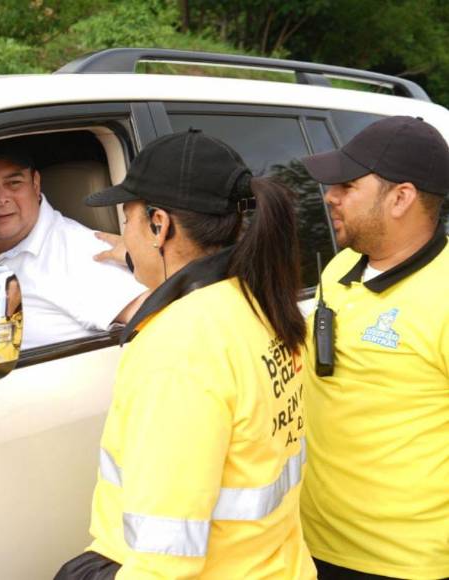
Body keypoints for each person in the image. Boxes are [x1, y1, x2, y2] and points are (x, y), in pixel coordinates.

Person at [56, 129, 316, 579]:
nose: (125, 236)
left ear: (159, 225)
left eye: (127, 220)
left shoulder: (180, 347)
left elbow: (166, 554)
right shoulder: (256, 304)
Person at [299, 116, 449, 580]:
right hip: (311, 543)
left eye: (347, 185)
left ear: (401, 197)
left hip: (403, 562)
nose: (329, 196)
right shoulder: (340, 267)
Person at [0, 142, 146, 350]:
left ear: (36, 184)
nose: (0, 198)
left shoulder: (81, 251)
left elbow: (159, 321)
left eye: (14, 183)